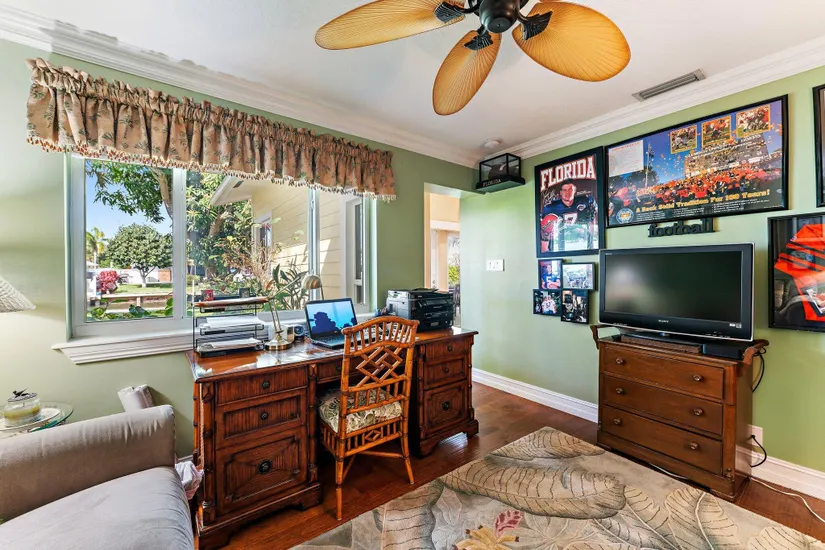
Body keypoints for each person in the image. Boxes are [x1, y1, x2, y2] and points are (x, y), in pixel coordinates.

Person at [540, 182, 597, 251]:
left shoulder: (586, 201)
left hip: (582, 243)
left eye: (570, 189)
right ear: (561, 192)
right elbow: (544, 233)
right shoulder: (550, 207)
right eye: (564, 190)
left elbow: (593, 222)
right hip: (559, 246)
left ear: (574, 190)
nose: (567, 192)